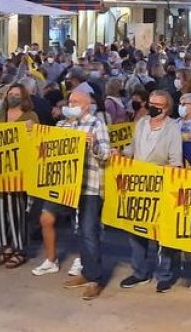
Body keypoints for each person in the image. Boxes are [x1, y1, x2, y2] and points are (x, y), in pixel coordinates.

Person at [118, 89, 183, 292]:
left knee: (162, 233)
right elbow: (132, 148)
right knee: (136, 230)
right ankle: (139, 272)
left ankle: (164, 274)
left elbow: (176, 161)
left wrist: (159, 173)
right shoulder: (141, 123)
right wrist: (120, 153)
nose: (154, 108)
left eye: (159, 106)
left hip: (160, 185)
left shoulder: (173, 128)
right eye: (151, 104)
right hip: (138, 185)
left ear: (167, 108)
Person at [54, 90, 111, 301]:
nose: (71, 104)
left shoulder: (96, 124)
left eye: (75, 102)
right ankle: (87, 272)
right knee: (78, 231)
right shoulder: (62, 125)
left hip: (90, 187)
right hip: (69, 187)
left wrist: (94, 144)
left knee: (89, 231)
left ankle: (95, 278)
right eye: (69, 101)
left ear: (86, 105)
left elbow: (106, 154)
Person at [0, 83, 40, 268]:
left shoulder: (30, 116)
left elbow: (37, 140)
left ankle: (19, 248)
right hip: (0, 169)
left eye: (18, 94)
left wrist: (30, 130)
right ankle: (6, 246)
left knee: (17, 209)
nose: (13, 97)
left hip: (19, 169)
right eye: (11, 94)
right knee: (0, 209)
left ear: (24, 97)